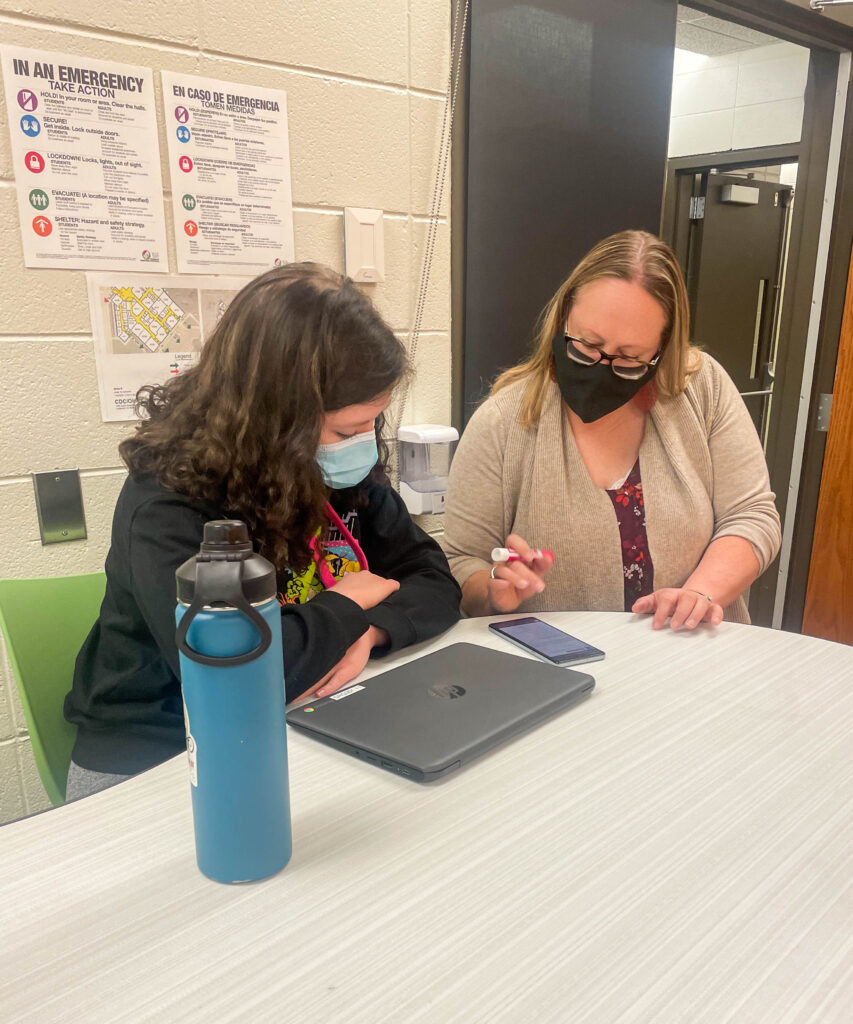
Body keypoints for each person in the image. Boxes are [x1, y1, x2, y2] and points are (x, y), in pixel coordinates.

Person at [64, 263, 461, 800]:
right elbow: (234, 668)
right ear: (276, 418)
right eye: (347, 429)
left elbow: (433, 580)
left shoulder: (332, 471)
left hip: (304, 714)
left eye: (373, 423)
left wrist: (370, 630)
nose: (365, 444)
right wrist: (346, 607)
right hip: (159, 751)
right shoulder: (167, 504)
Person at [441, 230, 781, 630]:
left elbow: (752, 514)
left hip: (690, 655)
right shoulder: (503, 423)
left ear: (663, 348)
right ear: (565, 314)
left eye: (630, 358)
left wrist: (699, 595)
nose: (602, 367)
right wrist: (494, 591)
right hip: (563, 668)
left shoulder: (701, 388)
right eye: (587, 345)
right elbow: (461, 562)